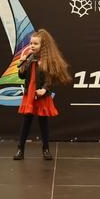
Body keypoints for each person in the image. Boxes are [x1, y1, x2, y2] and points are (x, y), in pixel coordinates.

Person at [13, 29, 72, 161]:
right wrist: (22, 63)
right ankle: (20, 149)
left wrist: (45, 90)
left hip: (41, 95)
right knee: (26, 121)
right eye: (31, 43)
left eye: (35, 43)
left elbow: (49, 79)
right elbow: (21, 76)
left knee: (43, 122)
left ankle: (46, 149)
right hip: (30, 94)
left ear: (43, 46)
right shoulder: (29, 58)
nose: (32, 46)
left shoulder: (47, 61)